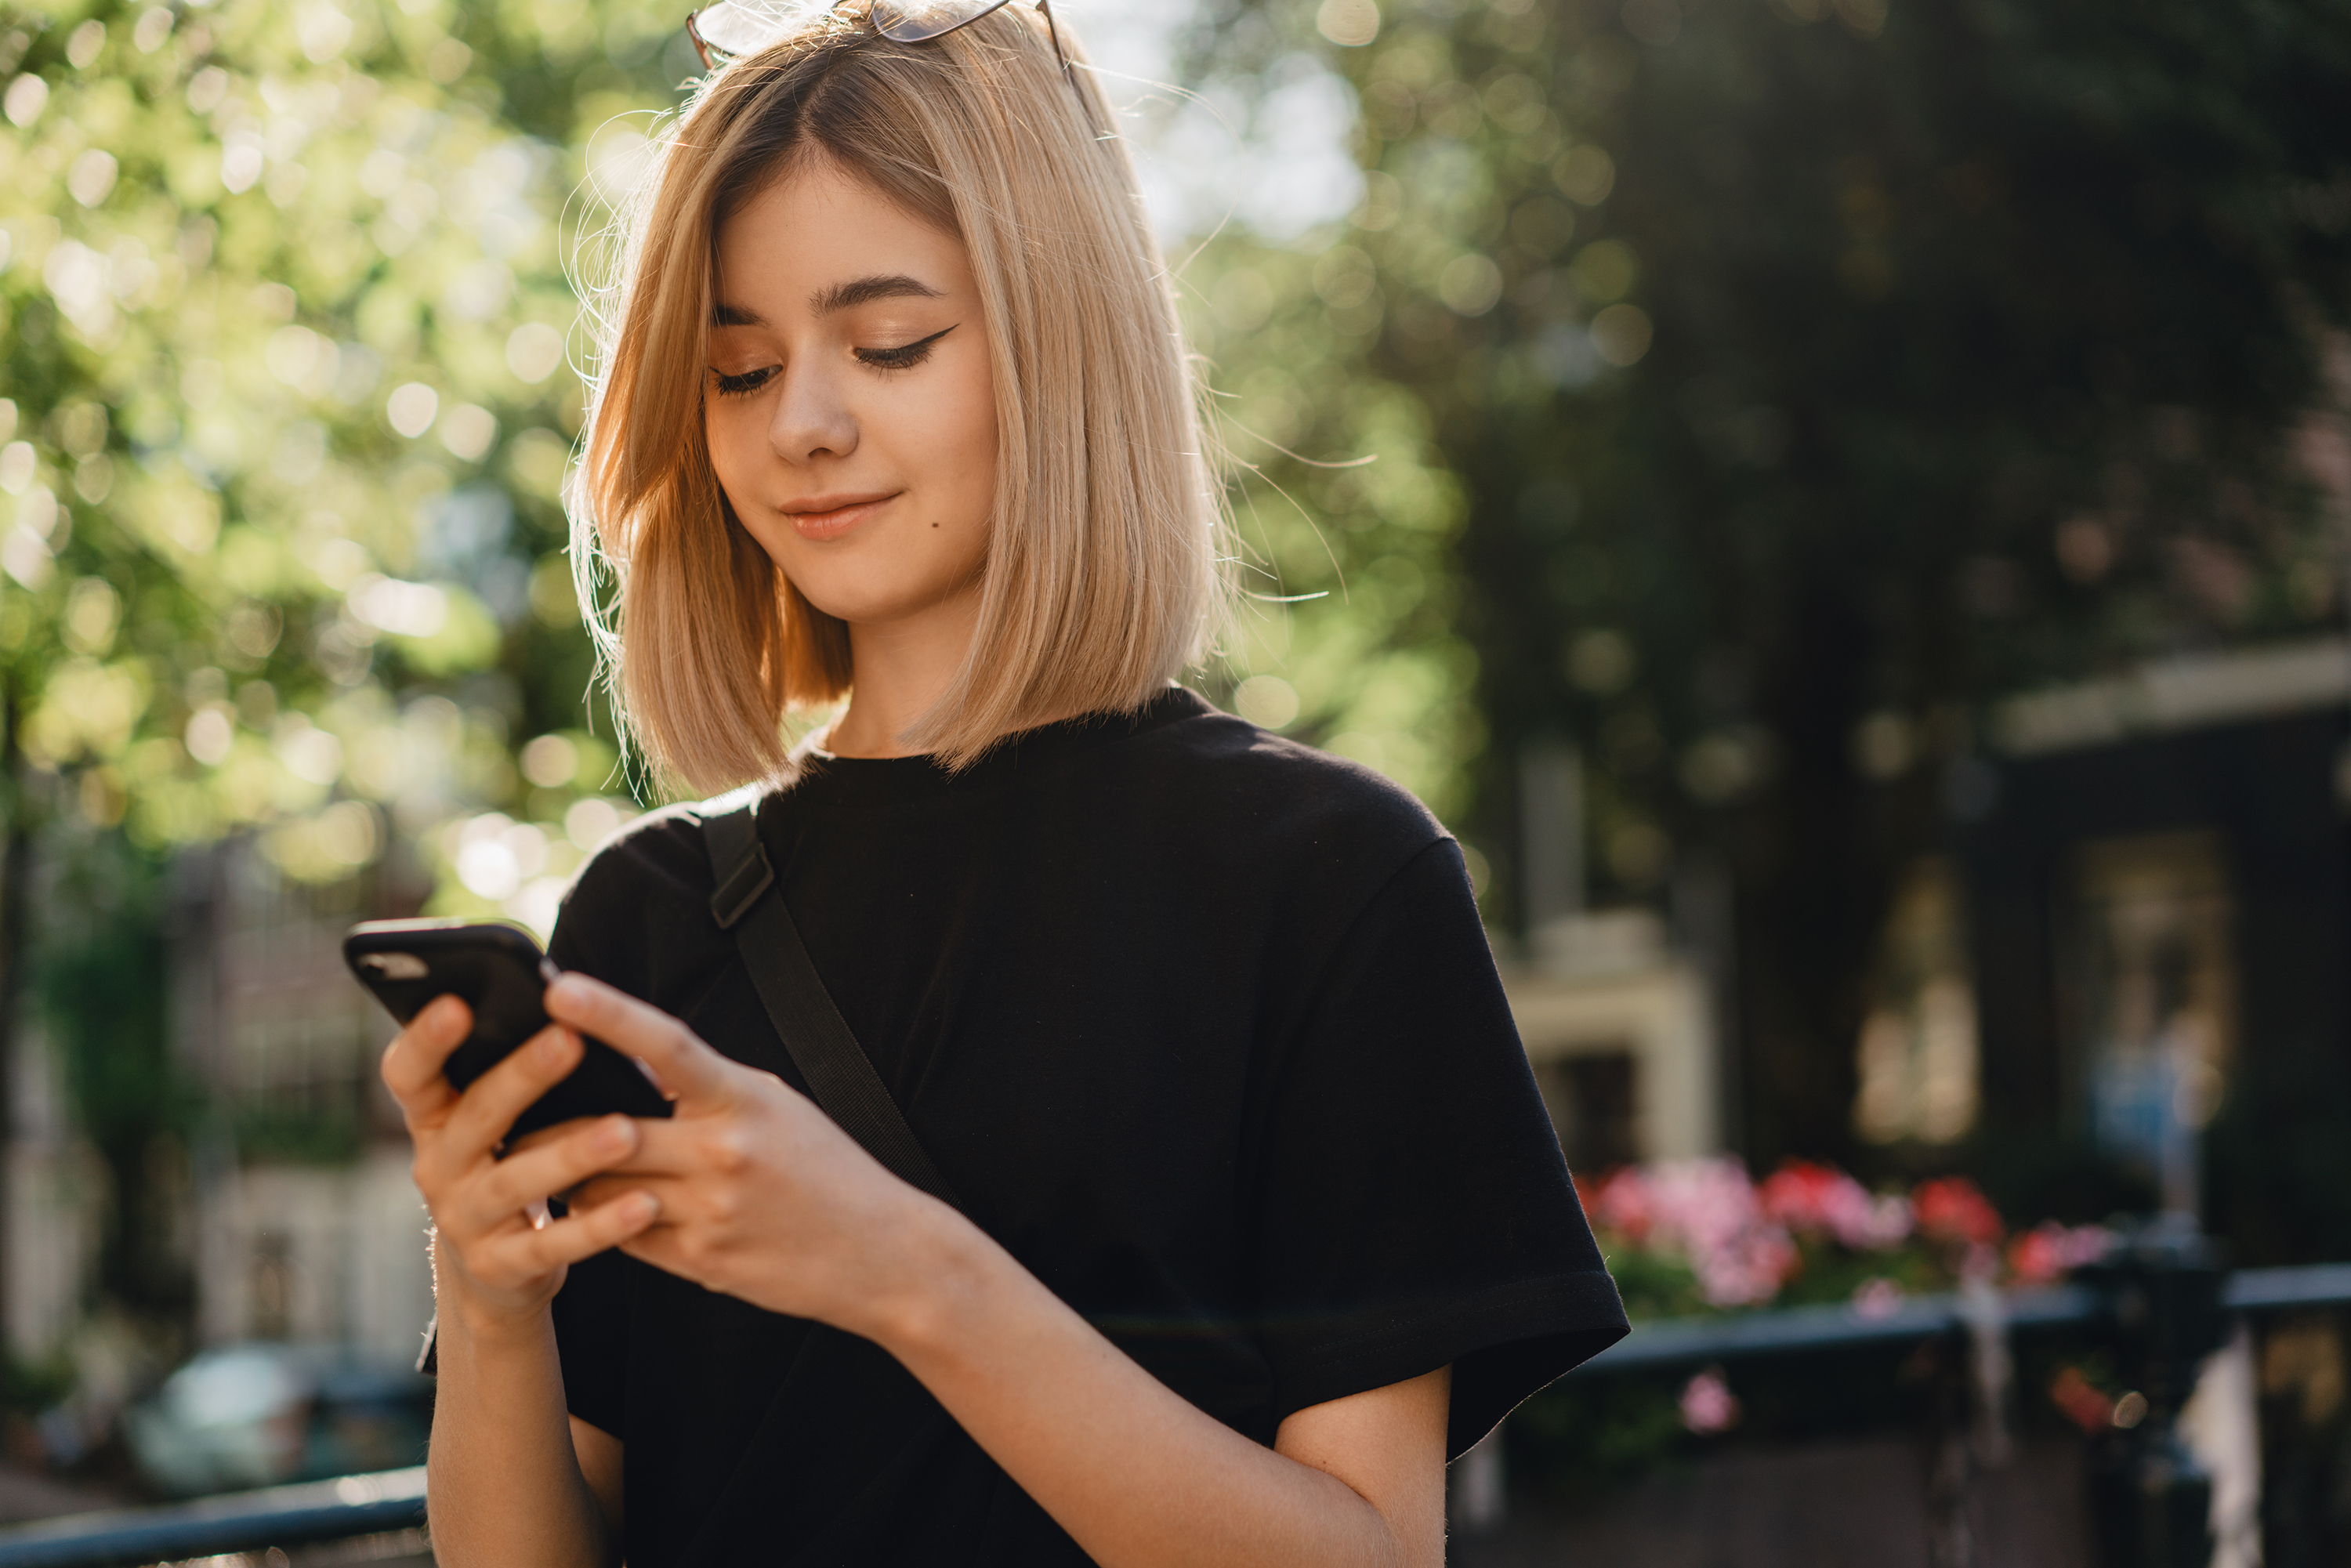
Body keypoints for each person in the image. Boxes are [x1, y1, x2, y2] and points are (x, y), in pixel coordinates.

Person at [377, 4, 1628, 1564]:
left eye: (889, 342)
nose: (806, 426)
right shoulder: (645, 925)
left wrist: (905, 1271)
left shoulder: (1326, 879)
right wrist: (487, 1301)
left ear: (1059, 335)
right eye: (741, 369)